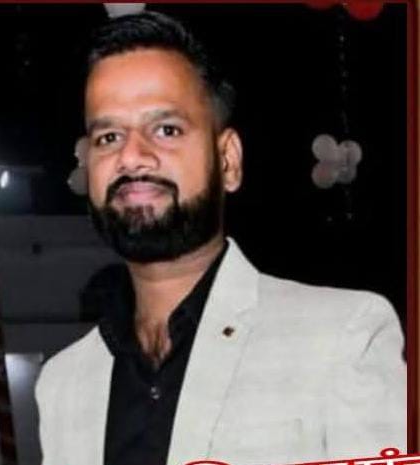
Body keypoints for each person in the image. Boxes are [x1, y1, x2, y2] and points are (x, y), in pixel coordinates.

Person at [35, 11, 406, 465]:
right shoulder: (63, 383)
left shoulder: (341, 336)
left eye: (166, 130)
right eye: (108, 136)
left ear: (227, 160)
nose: (131, 156)